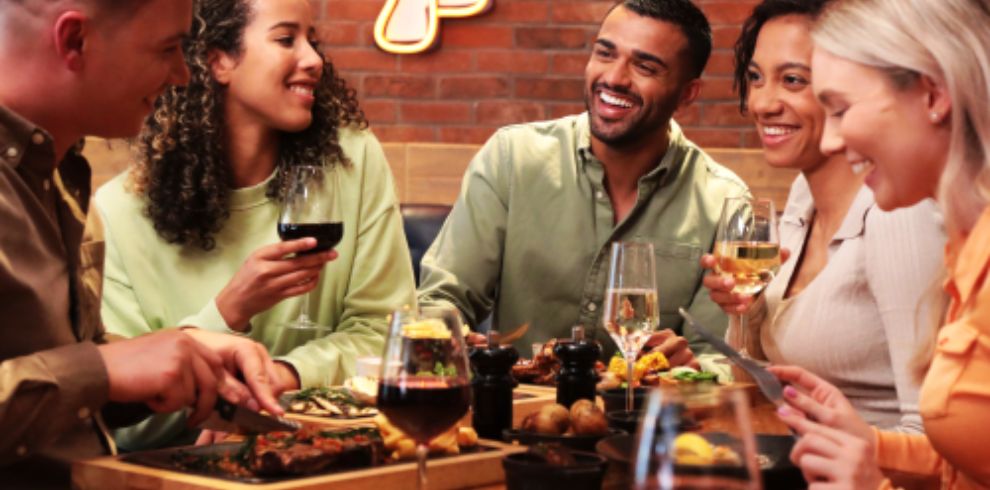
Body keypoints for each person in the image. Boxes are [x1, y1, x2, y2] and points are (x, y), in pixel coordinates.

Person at [94, 0, 415, 450]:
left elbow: (388, 335)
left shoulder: (352, 161)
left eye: (312, 40)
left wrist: (283, 376)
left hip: (336, 462)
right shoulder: (115, 213)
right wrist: (227, 313)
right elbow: (123, 425)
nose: (313, 60)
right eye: (286, 39)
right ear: (219, 60)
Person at [0, 0, 285, 485]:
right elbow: (84, 371)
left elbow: (56, 381)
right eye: (168, 48)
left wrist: (175, 357)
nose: (182, 75)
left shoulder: (59, 173)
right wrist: (102, 371)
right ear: (75, 41)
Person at [417, 0, 747, 363]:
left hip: (651, 414)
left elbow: (719, 357)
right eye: (605, 54)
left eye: (645, 67)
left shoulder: (723, 203)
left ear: (687, 94)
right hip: (517, 409)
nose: (614, 78)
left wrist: (691, 367)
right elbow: (441, 299)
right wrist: (449, 342)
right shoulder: (512, 159)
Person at [768, 0, 990, 488]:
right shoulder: (965, 246)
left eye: (842, 110)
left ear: (933, 94)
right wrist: (872, 445)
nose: (829, 142)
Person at [699, 0, 944, 434]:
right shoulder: (800, 198)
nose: (762, 103)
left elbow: (931, 430)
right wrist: (746, 311)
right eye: (756, 78)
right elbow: (762, 389)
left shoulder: (897, 213)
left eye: (793, 80)